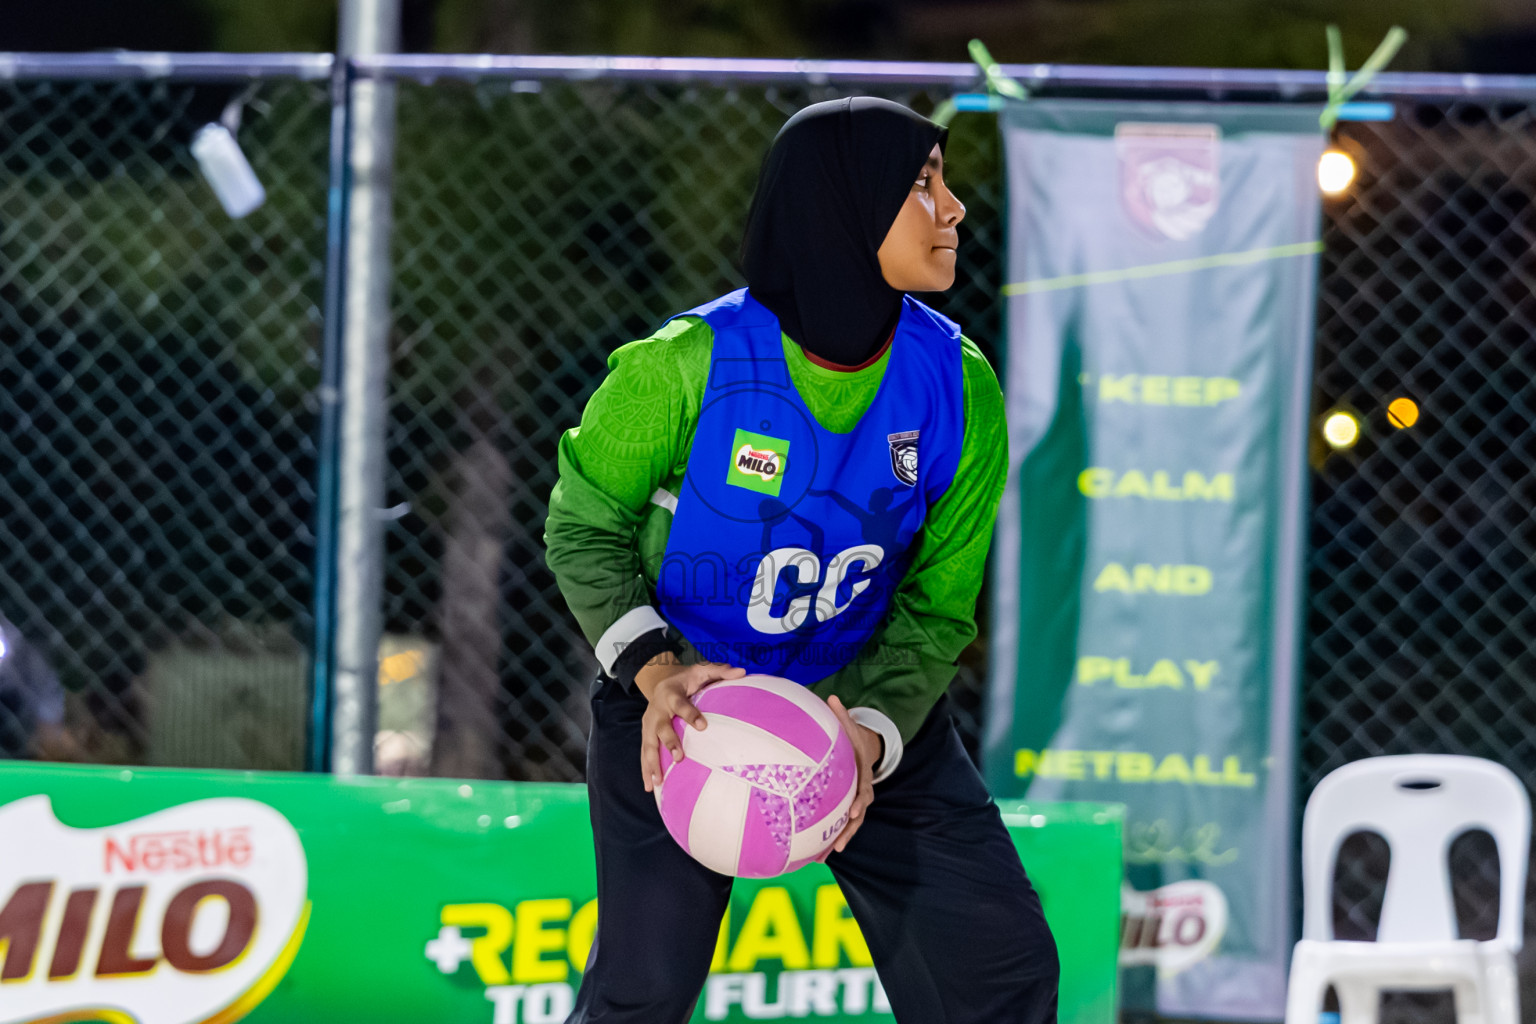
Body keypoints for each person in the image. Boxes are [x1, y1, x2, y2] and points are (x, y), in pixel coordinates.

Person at [544, 96, 1058, 1023]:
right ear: (845, 206)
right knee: (641, 990)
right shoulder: (682, 367)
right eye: (921, 185)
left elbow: (940, 607)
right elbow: (581, 525)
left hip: (861, 699)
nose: (955, 209)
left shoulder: (957, 385)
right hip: (682, 710)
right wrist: (656, 672)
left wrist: (864, 730)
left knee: (999, 968)